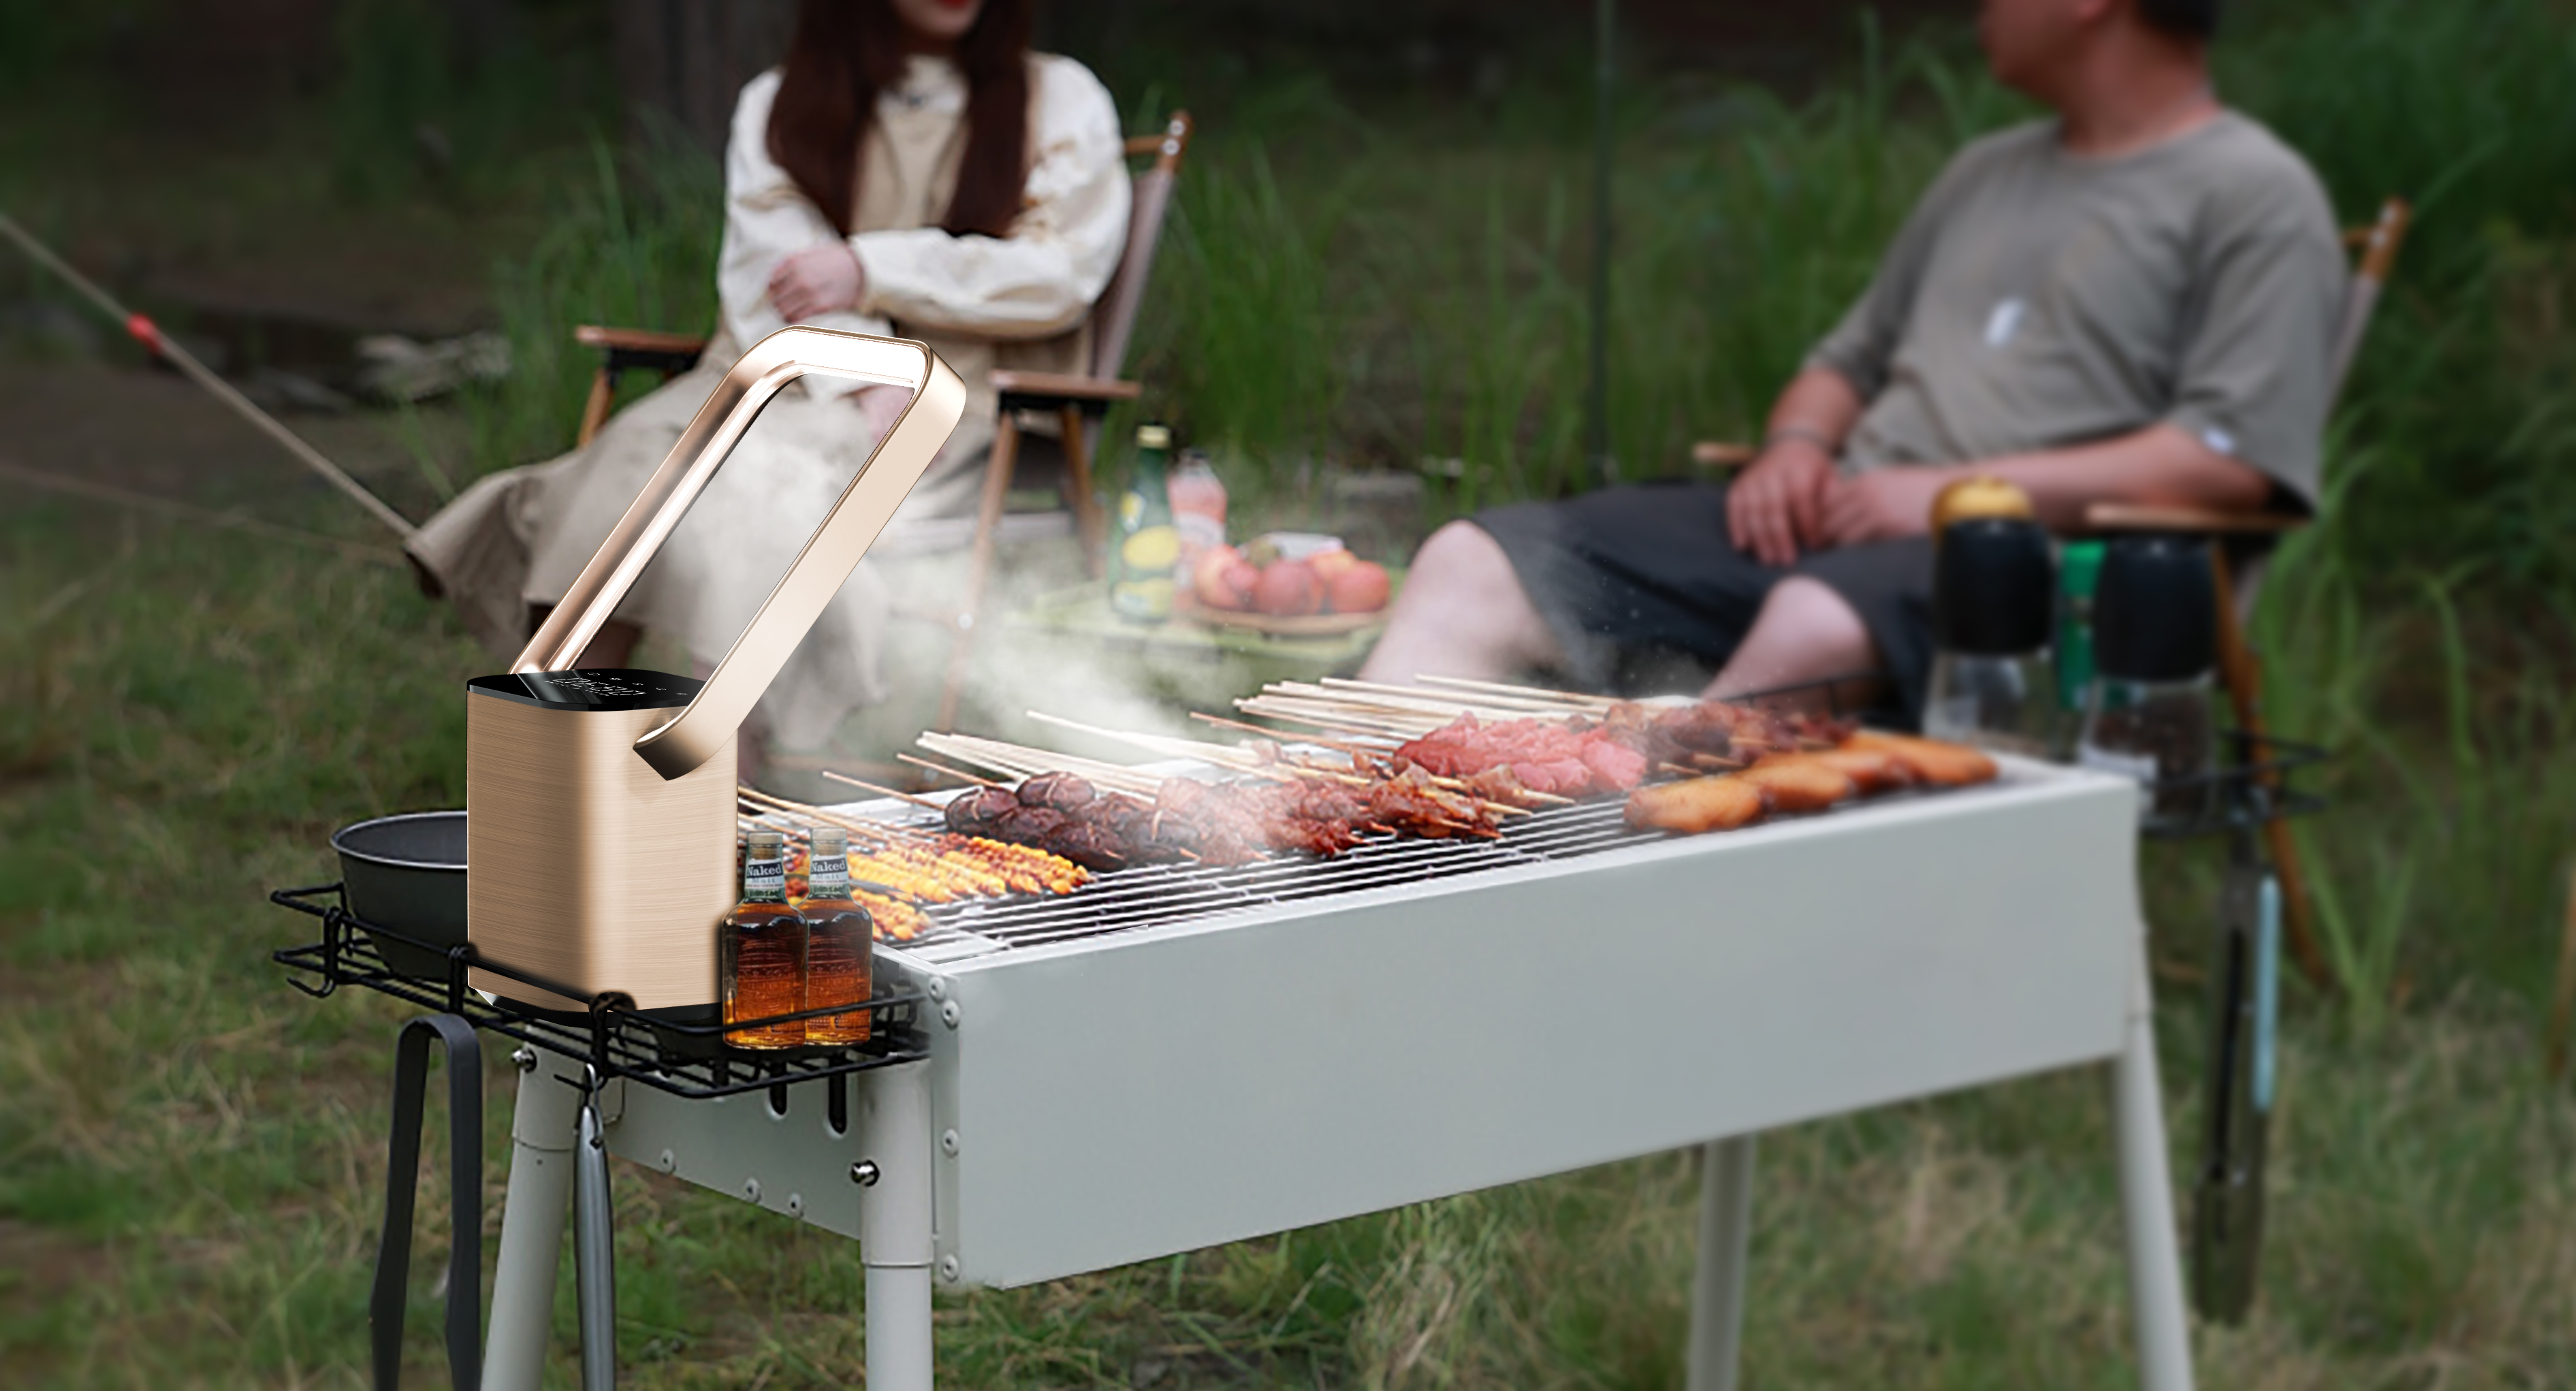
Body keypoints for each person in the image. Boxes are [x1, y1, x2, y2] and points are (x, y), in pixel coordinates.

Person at [1362, 0, 2342, 722]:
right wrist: (1792, 445)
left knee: (1814, 620)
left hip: (2037, 568)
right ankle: (1357, 861)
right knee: (1470, 562)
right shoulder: (1987, 171)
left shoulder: (2253, 192)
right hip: (1833, 526)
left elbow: (2228, 460)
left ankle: (1642, 876)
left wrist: (1958, 495)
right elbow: (1846, 363)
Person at [408, 0, 1130, 761]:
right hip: (776, 365)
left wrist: (871, 269)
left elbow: (1059, 272)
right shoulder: (778, 104)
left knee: (757, 491)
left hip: (960, 395)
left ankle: (716, 781)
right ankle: (566, 774)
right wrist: (862, 365)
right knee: (631, 469)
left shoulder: (1061, 98)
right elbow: (772, 275)